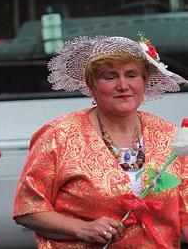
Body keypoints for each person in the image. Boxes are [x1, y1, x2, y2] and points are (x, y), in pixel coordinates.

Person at [13, 35, 188, 247]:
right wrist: (83, 229)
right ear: (92, 84)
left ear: (144, 81)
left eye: (131, 75)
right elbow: (27, 209)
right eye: (110, 77)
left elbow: (184, 213)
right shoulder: (59, 135)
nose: (123, 85)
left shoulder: (172, 137)